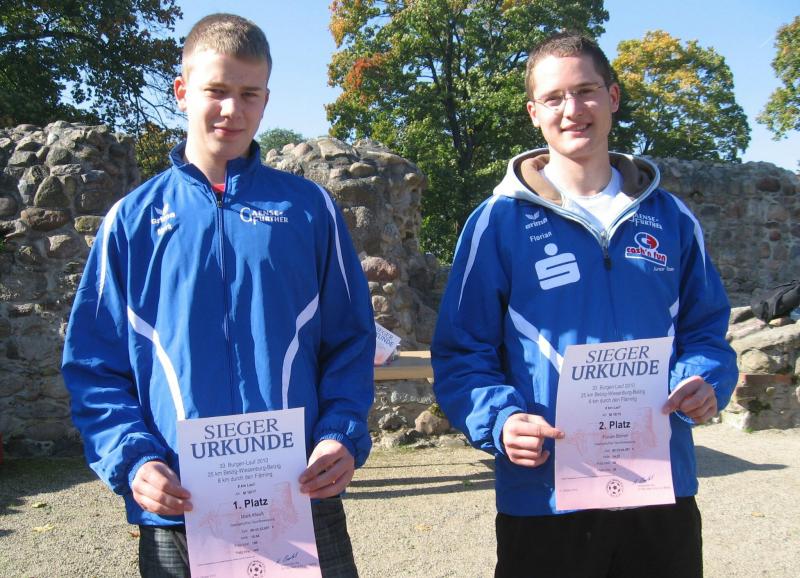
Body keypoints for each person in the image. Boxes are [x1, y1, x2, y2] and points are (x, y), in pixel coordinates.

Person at [62, 13, 374, 578]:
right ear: (183, 92)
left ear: (266, 100)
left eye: (249, 94)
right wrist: (133, 460)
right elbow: (93, 365)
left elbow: (350, 340)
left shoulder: (310, 210)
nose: (232, 109)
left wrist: (340, 434)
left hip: (301, 495)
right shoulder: (130, 221)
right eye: (216, 90)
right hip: (179, 505)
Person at [431, 32, 738, 578]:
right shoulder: (496, 222)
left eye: (586, 91)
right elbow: (461, 351)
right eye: (553, 98)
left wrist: (704, 379)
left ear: (612, 97)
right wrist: (501, 420)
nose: (572, 110)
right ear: (534, 113)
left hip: (658, 485)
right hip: (545, 495)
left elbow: (707, 331)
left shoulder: (671, 218)